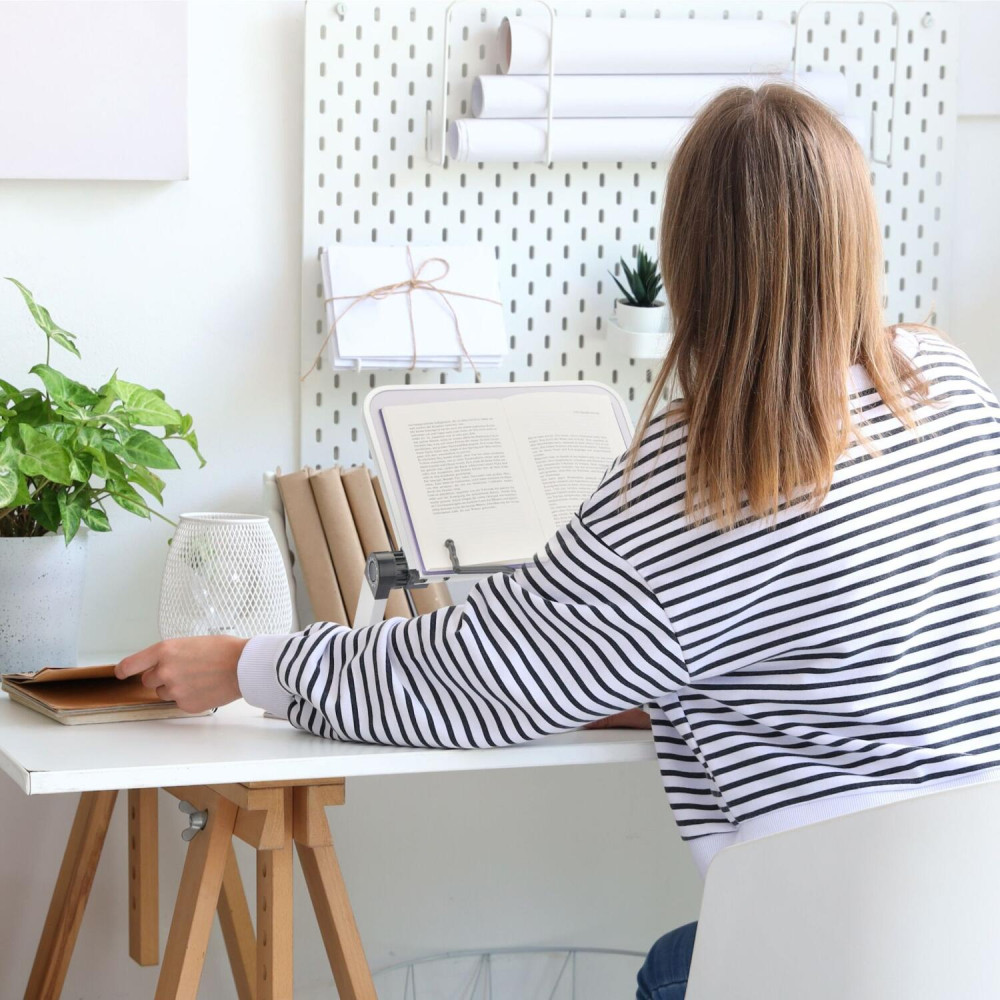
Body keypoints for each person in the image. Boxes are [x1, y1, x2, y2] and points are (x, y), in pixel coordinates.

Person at [117, 84, 1000, 999]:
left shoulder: (702, 480)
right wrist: (659, 679)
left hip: (805, 955)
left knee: (674, 971)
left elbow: (465, 680)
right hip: (970, 941)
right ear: (859, 237)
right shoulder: (947, 385)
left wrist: (247, 665)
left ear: (690, 253)